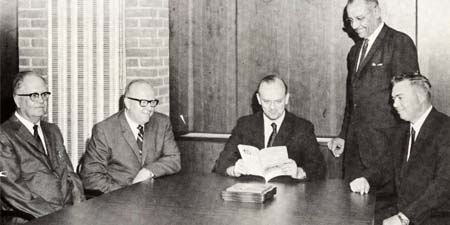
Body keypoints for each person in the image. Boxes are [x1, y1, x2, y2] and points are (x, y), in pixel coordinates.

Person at [328, 0, 420, 194]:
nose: (354, 26)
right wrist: (344, 135)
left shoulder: (399, 43)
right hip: (355, 152)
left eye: (360, 18)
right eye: (350, 20)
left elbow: (410, 104)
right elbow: (352, 101)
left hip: (385, 153)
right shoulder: (354, 52)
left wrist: (399, 149)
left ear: (377, 11)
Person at [0, 71, 84, 224]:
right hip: (29, 218)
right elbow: (14, 191)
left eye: (44, 94)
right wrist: (54, 217)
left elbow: (70, 174)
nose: (41, 101)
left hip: (65, 215)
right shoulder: (4, 136)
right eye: (34, 95)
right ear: (17, 100)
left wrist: (82, 210)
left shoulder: (53, 131)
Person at [213, 74, 326, 180]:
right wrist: (234, 169)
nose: (272, 108)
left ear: (286, 98)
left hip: (288, 196)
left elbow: (319, 168)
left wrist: (299, 172)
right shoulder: (245, 124)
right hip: (253, 194)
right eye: (266, 101)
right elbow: (221, 163)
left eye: (278, 101)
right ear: (259, 99)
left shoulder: (302, 128)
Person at [80, 79, 181, 193]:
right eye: (143, 102)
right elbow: (91, 177)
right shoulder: (104, 130)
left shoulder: (161, 122)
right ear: (127, 103)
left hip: (154, 197)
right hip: (118, 199)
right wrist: (127, 194)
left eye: (152, 102)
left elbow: (174, 158)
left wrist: (148, 171)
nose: (149, 108)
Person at [377, 73, 450, 225]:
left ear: (421, 96)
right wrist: (366, 180)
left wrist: (405, 217)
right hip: (404, 213)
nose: (395, 104)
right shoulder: (401, 131)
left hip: (436, 217)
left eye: (400, 97)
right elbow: (386, 170)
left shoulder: (446, 129)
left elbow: (443, 185)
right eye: (393, 99)